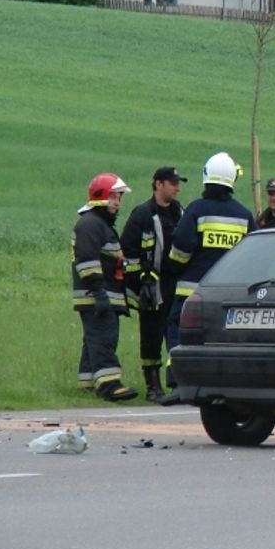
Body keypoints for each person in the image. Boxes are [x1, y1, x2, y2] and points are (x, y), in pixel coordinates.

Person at [161, 152, 257, 405]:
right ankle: (224, 388)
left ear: (206, 177)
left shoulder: (196, 209)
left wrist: (173, 267)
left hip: (192, 290)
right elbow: (254, 254)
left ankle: (177, 382)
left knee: (179, 332)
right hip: (231, 293)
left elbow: (182, 246)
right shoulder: (244, 215)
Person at [120, 166, 186, 402]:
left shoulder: (180, 211)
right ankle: (152, 385)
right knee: (151, 335)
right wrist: (142, 282)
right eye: (173, 183)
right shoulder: (143, 214)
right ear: (158, 184)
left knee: (175, 334)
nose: (177, 188)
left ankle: (177, 383)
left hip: (175, 284)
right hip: (151, 287)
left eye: (178, 183)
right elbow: (128, 250)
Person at [71, 172, 138, 402]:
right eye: (114, 197)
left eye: (119, 198)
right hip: (97, 294)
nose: (118, 203)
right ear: (101, 197)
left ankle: (87, 383)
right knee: (104, 338)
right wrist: (99, 294)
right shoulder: (91, 224)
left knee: (93, 339)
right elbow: (87, 262)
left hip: (100, 294)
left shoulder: (98, 224)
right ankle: (109, 385)